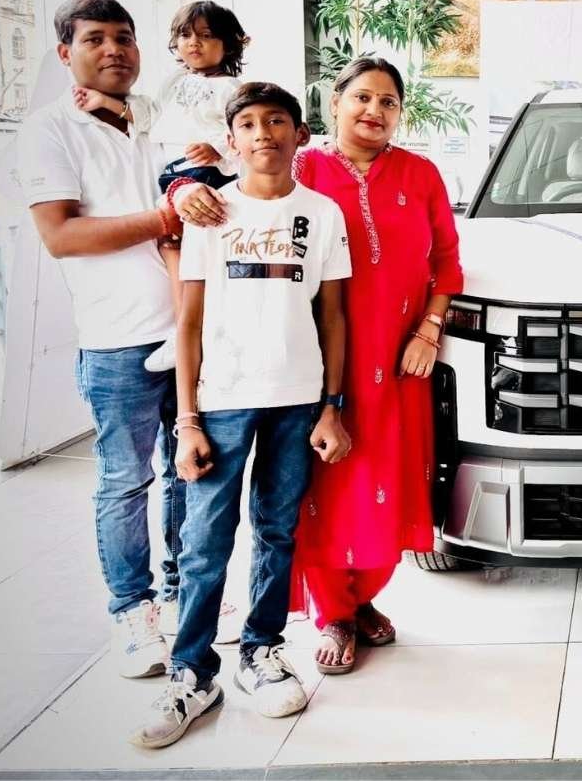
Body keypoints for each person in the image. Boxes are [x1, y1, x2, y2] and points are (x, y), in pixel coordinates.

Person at [175, 57, 464, 676]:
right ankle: (333, 610)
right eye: (362, 97)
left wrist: (429, 329)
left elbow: (447, 258)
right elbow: (224, 189)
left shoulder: (420, 173)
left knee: (388, 481)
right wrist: (181, 191)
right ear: (333, 104)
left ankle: (363, 597)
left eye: (388, 102)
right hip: (315, 364)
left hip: (400, 362)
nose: (374, 111)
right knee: (322, 490)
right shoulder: (302, 165)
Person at [133, 82, 352, 748]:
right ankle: (193, 673)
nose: (264, 134)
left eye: (277, 121)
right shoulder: (211, 210)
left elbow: (332, 315)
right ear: (231, 141)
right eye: (249, 124)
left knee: (277, 530)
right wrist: (187, 421)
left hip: (297, 398)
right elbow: (189, 321)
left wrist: (332, 406)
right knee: (205, 540)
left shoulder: (322, 213)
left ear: (300, 134)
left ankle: (261, 650)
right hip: (222, 399)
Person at [20, 0, 185, 680]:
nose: (114, 49)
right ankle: (132, 610)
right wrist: (164, 217)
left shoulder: (153, 117)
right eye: (95, 38)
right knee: (125, 480)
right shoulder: (49, 130)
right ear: (66, 53)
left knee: (189, 471)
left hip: (191, 332)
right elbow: (61, 234)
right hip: (118, 342)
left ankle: (183, 593)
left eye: (125, 37)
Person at [74, 0, 248, 374]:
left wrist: (217, 149)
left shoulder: (231, 88)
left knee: (185, 247)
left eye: (206, 36)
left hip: (204, 173)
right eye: (185, 35)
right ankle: (185, 329)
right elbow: (150, 115)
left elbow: (242, 130)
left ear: (229, 44)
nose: (194, 43)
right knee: (173, 245)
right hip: (173, 173)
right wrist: (104, 101)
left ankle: (188, 331)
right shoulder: (172, 82)